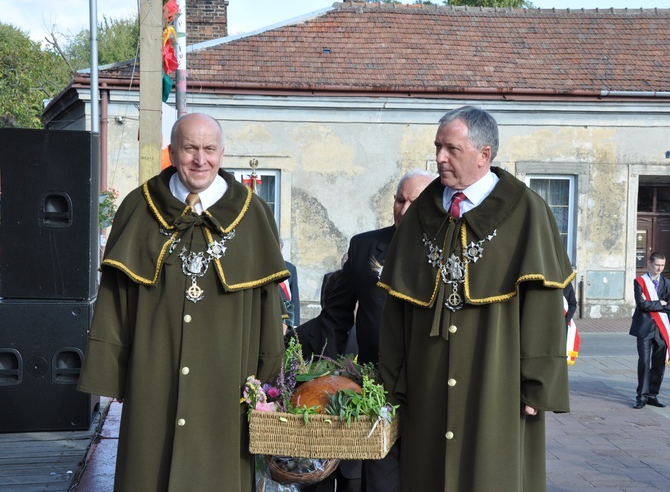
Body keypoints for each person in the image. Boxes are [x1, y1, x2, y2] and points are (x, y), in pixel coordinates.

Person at [77, 113, 289, 491]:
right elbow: (113, 301)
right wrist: (112, 374)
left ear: (222, 153)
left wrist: (269, 385)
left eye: (209, 149)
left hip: (228, 388)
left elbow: (269, 308)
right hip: (151, 382)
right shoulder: (139, 207)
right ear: (173, 151)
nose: (200, 160)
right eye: (190, 148)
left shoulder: (253, 213)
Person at [378, 106, 574, 491]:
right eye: (437, 147)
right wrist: (391, 380)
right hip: (427, 380)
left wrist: (536, 384)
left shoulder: (527, 210)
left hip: (495, 381)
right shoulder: (421, 214)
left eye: (452, 148)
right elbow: (397, 306)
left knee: (490, 474)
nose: (439, 158)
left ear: (484, 155)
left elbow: (544, 305)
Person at [296, 168, 435, 492]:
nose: (404, 208)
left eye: (414, 201)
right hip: (376, 386)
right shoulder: (365, 247)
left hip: (430, 387)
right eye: (399, 200)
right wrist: (318, 373)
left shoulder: (451, 247)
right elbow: (334, 318)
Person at [629, 251, 670, 409]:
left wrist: (655, 304)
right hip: (644, 327)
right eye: (657, 265)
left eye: (663, 265)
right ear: (649, 263)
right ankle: (641, 396)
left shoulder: (668, 283)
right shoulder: (640, 282)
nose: (660, 268)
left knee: (658, 363)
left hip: (661, 329)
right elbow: (641, 304)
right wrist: (660, 303)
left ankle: (653, 395)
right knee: (643, 361)